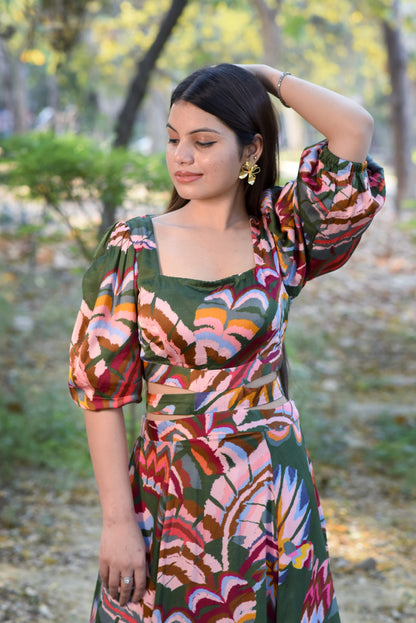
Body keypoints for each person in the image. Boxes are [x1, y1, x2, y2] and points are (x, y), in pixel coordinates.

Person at [69, 63, 385, 623]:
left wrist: (264, 77)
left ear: (250, 150)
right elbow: (101, 394)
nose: (182, 157)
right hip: (173, 489)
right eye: (173, 139)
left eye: (204, 141)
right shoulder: (135, 247)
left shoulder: (281, 233)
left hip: (274, 486)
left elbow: (353, 128)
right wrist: (117, 522)